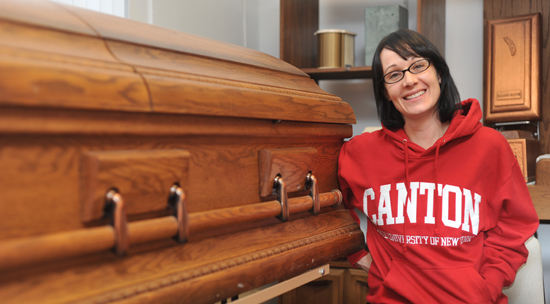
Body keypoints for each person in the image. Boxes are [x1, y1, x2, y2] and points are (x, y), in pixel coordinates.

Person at [337, 28, 539, 304]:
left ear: (439, 73)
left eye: (418, 66)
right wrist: (359, 254)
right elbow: (327, 204)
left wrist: (487, 284)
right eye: (394, 74)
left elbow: (515, 226)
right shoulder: (361, 153)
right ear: (385, 92)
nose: (409, 81)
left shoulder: (489, 147)